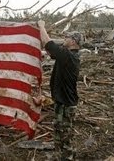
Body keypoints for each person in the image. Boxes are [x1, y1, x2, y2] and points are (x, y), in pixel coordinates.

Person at [37, 20, 81, 160]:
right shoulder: (66, 55)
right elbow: (51, 51)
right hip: (60, 102)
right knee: (58, 131)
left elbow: (48, 43)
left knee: (66, 136)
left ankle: (68, 157)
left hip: (67, 105)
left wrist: (41, 26)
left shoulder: (69, 56)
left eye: (67, 38)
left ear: (74, 42)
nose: (64, 39)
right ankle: (58, 156)